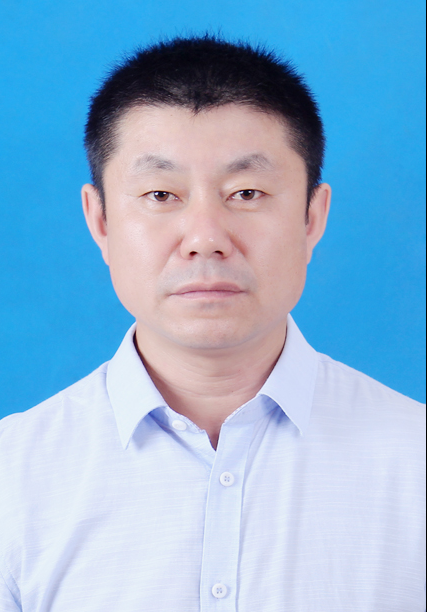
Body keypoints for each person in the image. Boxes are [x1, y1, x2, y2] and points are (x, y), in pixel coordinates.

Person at [0, 36, 425, 612]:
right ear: (100, 221)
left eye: (246, 192)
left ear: (312, 216)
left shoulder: (415, 462)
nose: (204, 238)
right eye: (160, 194)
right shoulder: (14, 478)